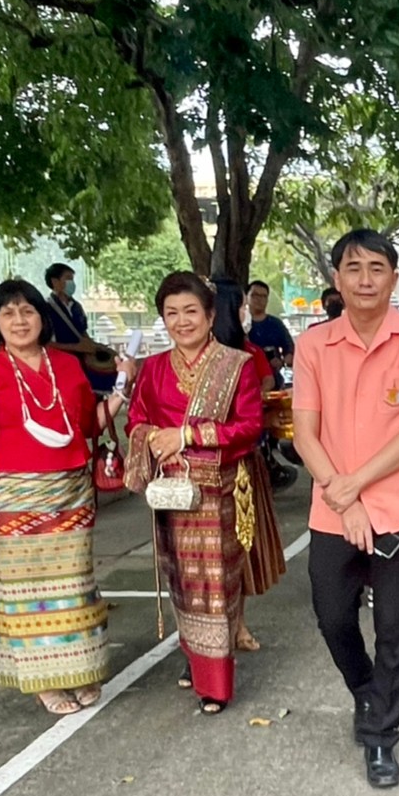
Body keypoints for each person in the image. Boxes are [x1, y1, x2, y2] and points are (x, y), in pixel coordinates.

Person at [293, 229, 399, 789]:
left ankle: (381, 734)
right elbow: (304, 433)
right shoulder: (314, 345)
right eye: (353, 268)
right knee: (332, 615)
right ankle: (365, 690)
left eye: (376, 268)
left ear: (393, 279)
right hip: (334, 505)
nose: (364, 280)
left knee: (394, 625)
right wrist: (345, 495)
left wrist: (355, 486)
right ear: (337, 278)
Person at [0, 280, 136, 715]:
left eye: (28, 311)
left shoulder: (66, 366)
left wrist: (121, 389)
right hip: (15, 499)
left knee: (75, 588)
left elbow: (87, 425)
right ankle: (45, 681)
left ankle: (79, 670)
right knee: (26, 595)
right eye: (8, 313)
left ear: (42, 318)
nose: (19, 321)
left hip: (71, 496)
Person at [125, 272, 262, 714]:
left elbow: (249, 426)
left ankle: (215, 683)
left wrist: (187, 435)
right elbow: (136, 420)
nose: (182, 321)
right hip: (171, 492)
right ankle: (196, 656)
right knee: (182, 582)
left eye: (190, 311)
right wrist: (152, 438)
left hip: (217, 491)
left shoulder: (236, 365)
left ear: (210, 315)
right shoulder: (153, 368)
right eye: (171, 313)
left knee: (216, 586)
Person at [212, 282, 285, 654]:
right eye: (242, 305)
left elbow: (267, 381)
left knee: (241, 547)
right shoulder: (193, 358)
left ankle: (237, 624)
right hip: (200, 470)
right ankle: (202, 642)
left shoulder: (248, 352)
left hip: (242, 465)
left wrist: (256, 404)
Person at [43, 263, 117, 395]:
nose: (71, 283)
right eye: (68, 278)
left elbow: (82, 333)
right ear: (55, 281)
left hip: (83, 363)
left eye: (72, 279)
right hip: (61, 366)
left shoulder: (77, 307)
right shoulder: (46, 309)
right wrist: (76, 347)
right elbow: (45, 343)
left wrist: (94, 346)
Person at [245, 280, 294, 376]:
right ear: (246, 297)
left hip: (273, 375)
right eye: (255, 295)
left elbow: (289, 348)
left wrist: (282, 362)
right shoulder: (240, 323)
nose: (259, 299)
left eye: (263, 296)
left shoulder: (276, 324)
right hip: (247, 375)